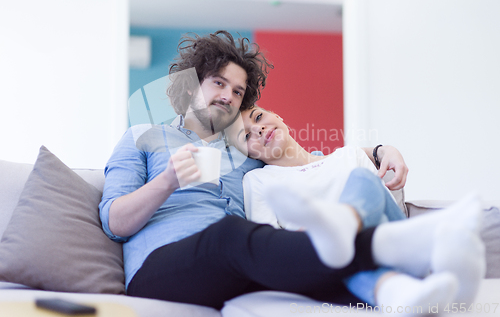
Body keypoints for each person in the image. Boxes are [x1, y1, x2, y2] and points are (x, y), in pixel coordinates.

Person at [99, 30, 481, 311]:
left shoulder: (243, 153)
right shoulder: (142, 136)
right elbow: (114, 221)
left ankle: (415, 284)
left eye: (237, 91)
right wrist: (168, 182)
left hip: (236, 270)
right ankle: (418, 238)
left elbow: (311, 163)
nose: (228, 96)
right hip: (162, 271)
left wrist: (381, 150)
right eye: (219, 83)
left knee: (319, 277)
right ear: (189, 87)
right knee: (230, 235)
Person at [226, 105, 486, 307]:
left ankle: (343, 227)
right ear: (249, 154)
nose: (257, 130)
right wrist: (308, 237)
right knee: (336, 253)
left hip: (386, 243)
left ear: (278, 116)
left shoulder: (349, 156)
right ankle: (414, 275)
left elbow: (386, 211)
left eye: (258, 117)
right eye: (246, 136)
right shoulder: (259, 181)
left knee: (361, 181)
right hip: (325, 263)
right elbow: (267, 248)